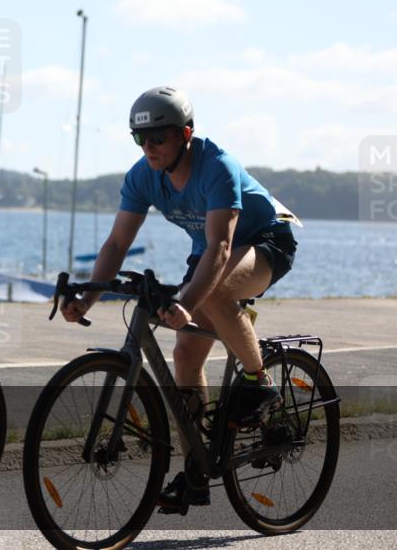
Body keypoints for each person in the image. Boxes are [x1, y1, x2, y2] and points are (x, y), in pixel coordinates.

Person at [60, 86, 298, 513]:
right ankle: (196, 473)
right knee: (186, 353)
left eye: (158, 138)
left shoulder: (217, 166)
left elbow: (222, 248)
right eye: (140, 139)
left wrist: (187, 301)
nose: (148, 148)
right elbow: (116, 244)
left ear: (185, 133)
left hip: (264, 243)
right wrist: (89, 297)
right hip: (208, 252)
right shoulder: (142, 175)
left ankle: (257, 379)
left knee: (216, 292)